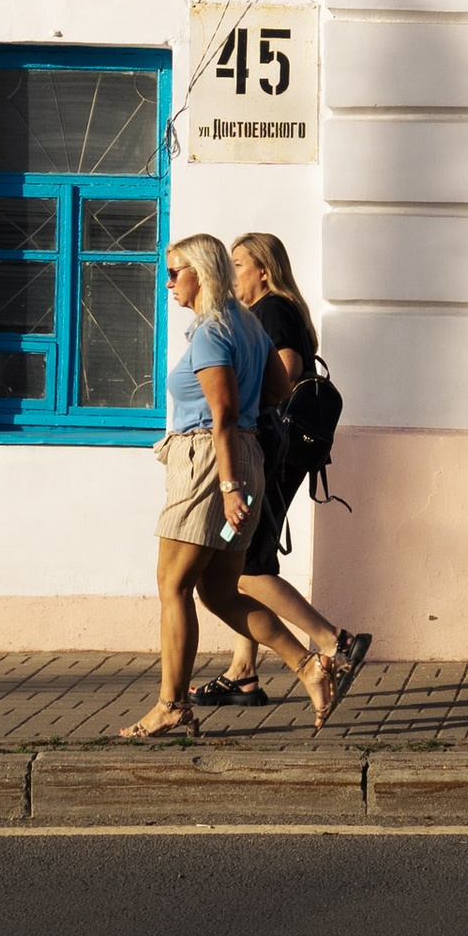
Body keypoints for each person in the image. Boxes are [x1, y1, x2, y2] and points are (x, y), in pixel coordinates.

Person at [120, 233, 309, 741]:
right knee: (222, 590)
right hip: (243, 456)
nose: (168, 282)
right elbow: (279, 388)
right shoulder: (248, 323)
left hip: (208, 467)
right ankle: (309, 665)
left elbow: (221, 414)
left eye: (175, 272)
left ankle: (172, 705)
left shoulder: (210, 332)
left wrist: (226, 487)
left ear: (200, 273)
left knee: (173, 586)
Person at [198, 229, 369, 730]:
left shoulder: (272, 311)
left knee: (243, 566)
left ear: (263, 271)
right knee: (251, 556)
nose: (232, 275)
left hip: (270, 451)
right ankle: (243, 673)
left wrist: (243, 415)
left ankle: (335, 641)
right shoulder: (278, 310)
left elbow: (287, 373)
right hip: (281, 450)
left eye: (238, 265)